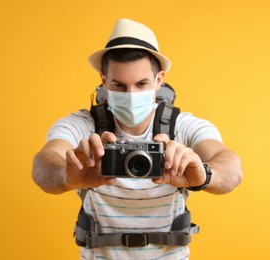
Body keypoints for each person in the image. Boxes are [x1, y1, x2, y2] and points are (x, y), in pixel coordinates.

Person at [32, 18, 243, 259]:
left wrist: (203, 175)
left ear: (159, 80)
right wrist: (66, 176)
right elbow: (43, 165)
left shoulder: (182, 126)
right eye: (119, 85)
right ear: (103, 80)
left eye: (142, 83)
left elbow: (232, 169)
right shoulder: (83, 125)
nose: (131, 95)